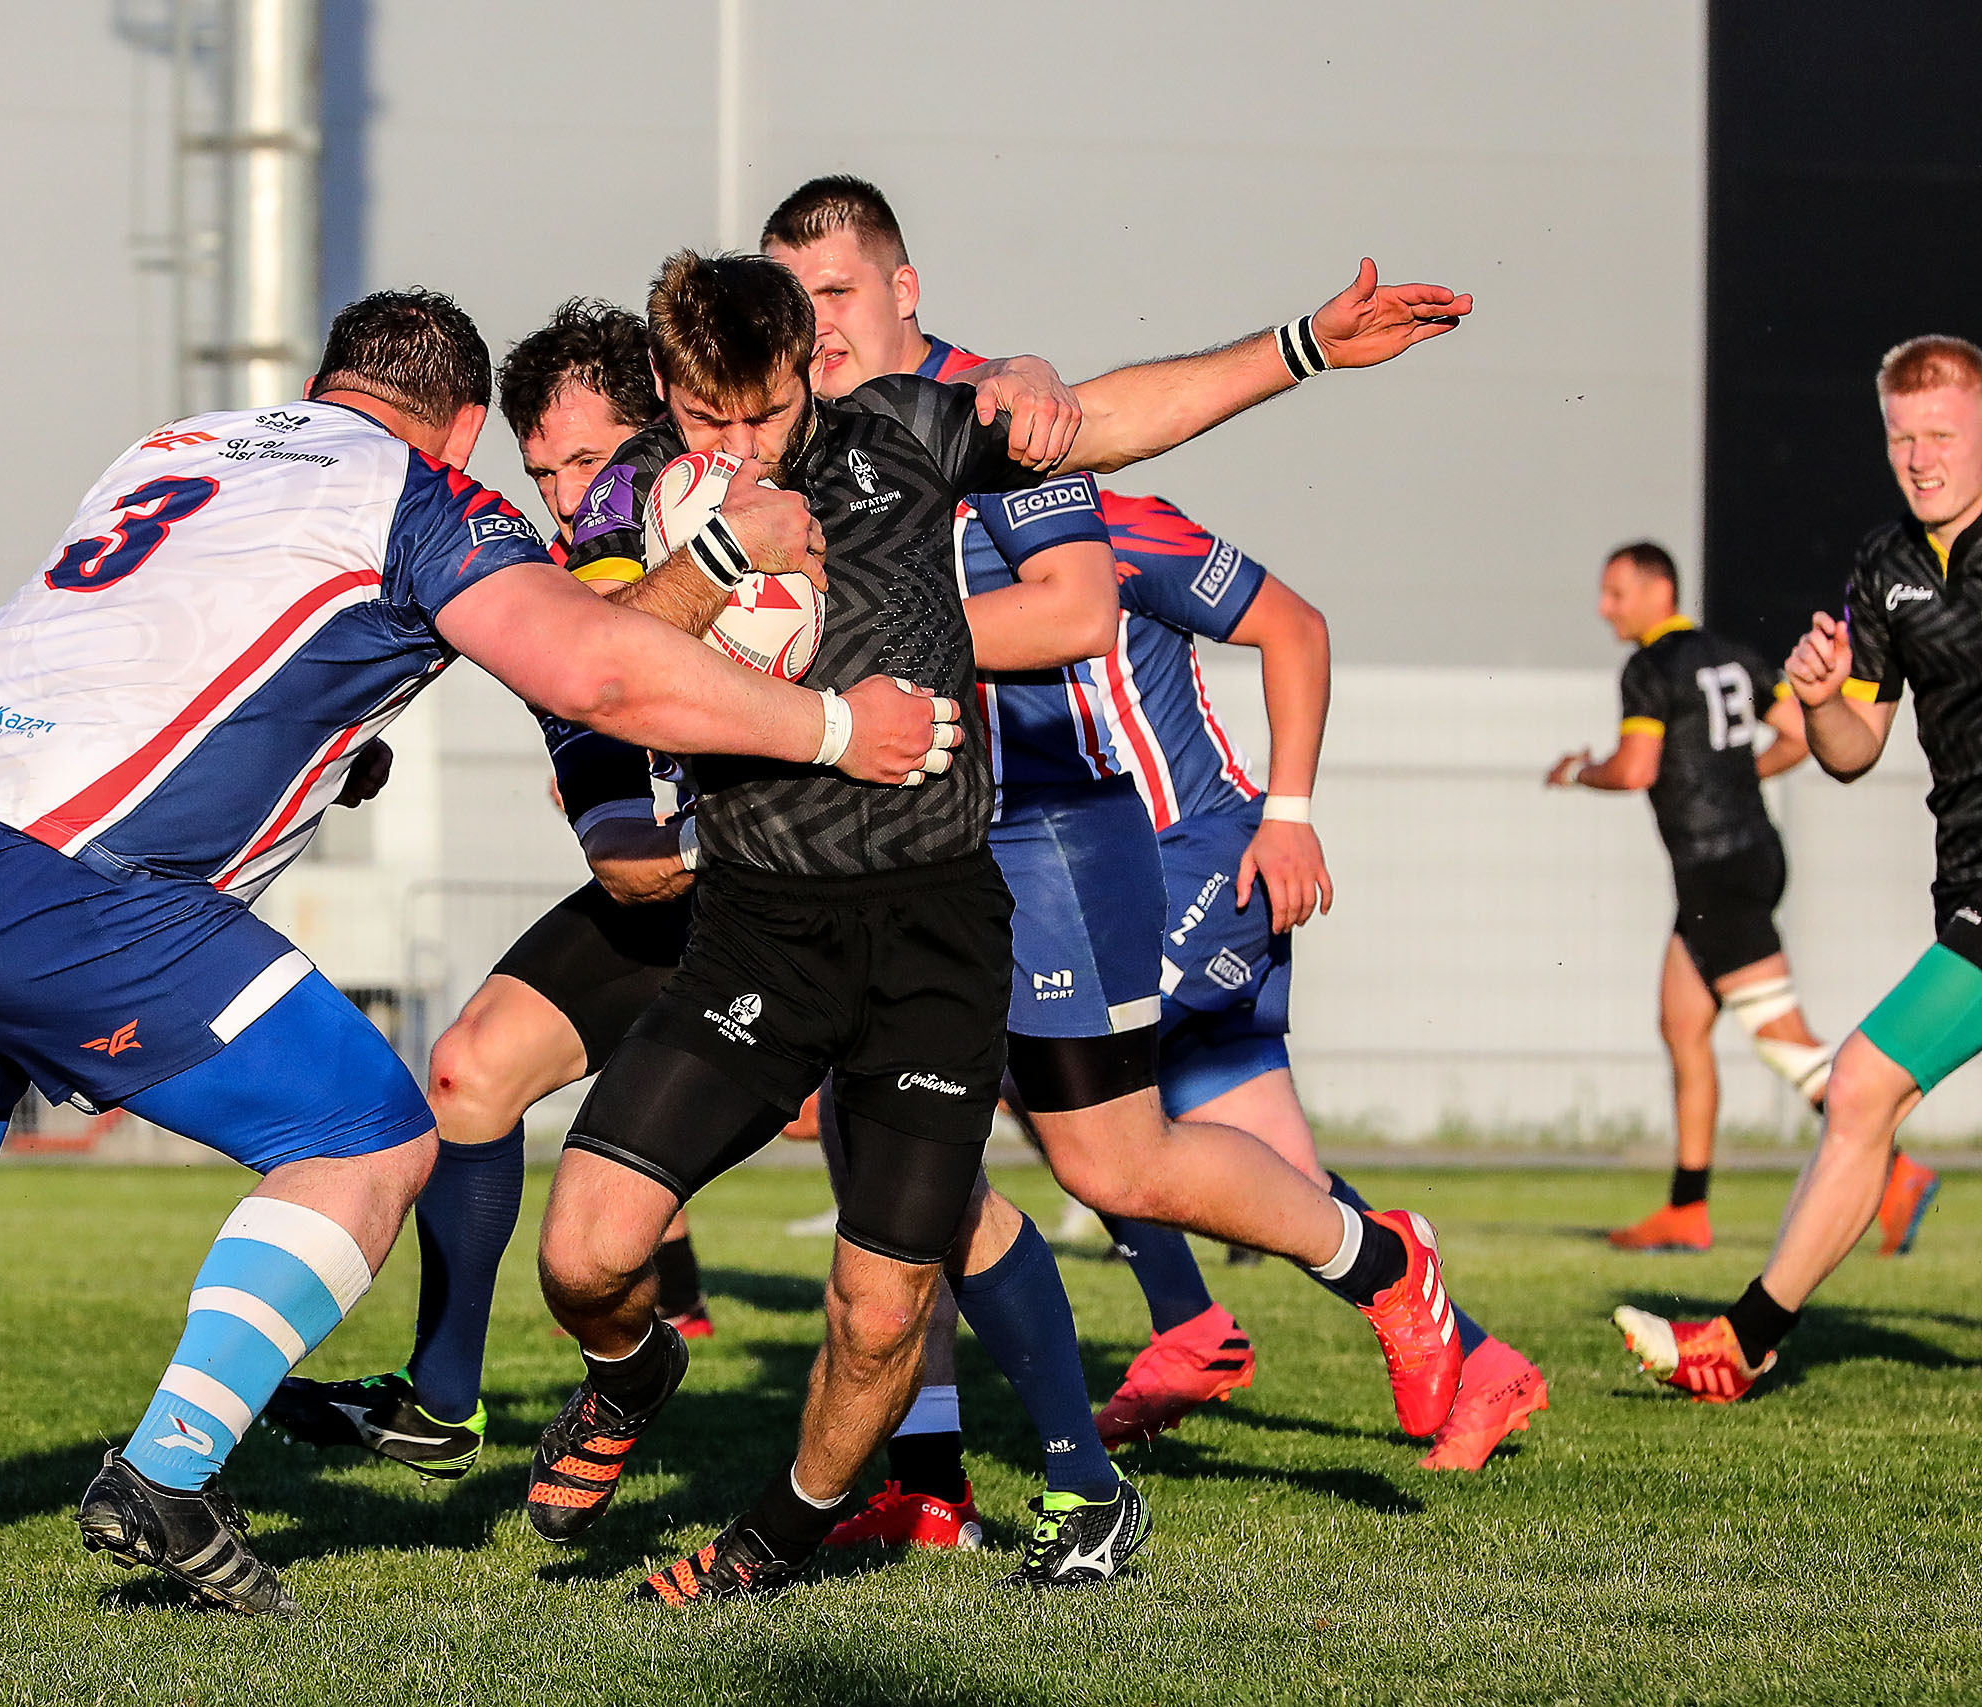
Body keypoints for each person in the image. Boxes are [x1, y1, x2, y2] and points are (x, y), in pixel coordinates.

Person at [0, 288, 958, 1613]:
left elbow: (156, 638)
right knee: (369, 1138)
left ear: (325, 382)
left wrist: (333, 738)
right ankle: (167, 1475)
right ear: (464, 427)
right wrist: (825, 711)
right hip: (68, 875)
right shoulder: (421, 493)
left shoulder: (178, 444)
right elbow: (590, 663)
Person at [532, 241, 1474, 1606]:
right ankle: (635, 1376)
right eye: (706, 418)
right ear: (667, 392)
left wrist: (1303, 347)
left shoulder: (900, 434)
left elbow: (1105, 421)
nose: (741, 444)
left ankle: (779, 1541)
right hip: (758, 930)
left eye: (767, 412)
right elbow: (585, 655)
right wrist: (726, 555)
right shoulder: (641, 496)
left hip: (933, 926)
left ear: (810, 366)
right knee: (585, 1251)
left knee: (910, 1284)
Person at [262, 301, 721, 1486]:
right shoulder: (545, 573)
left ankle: (987, 1470)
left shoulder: (715, 534)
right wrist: (345, 745)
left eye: (591, 461)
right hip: (674, 904)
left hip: (809, 906)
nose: (570, 497)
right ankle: (442, 1404)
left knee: (1021, 1185)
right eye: (545, 472)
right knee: (468, 1076)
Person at [1064, 489, 1546, 1473]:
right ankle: (1486, 1365)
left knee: (1054, 1068)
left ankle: (1186, 1324)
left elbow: (1295, 625)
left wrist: (1289, 815)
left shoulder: (1114, 521)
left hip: (1202, 863)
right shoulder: (942, 547)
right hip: (1114, 894)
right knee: (1284, 1180)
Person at [1617, 336, 1970, 1403]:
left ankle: (1741, 1340)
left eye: (1942, 434)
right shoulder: (1885, 566)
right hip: (1968, 883)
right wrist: (1817, 701)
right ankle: (1745, 1340)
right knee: (1858, 1092)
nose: (1919, 458)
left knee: (1859, 1086)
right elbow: (1853, 752)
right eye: (1901, 438)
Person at [1546, 543, 1863, 1251]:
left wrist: (1578, 773)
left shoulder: (1650, 668)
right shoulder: (1734, 655)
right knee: (1682, 1023)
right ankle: (1687, 1208)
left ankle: (1893, 1165)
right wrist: (1738, 775)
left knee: (1781, 1040)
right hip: (1748, 855)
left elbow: (1636, 770)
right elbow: (1799, 735)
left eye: (1616, 593)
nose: (1605, 608)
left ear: (1658, 590)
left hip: (1714, 870)